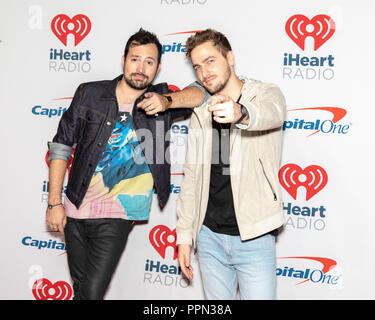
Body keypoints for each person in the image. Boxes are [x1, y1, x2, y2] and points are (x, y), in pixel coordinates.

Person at [45, 28, 205, 300]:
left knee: (91, 293)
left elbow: (200, 93)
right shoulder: (90, 93)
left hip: (117, 214)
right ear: (123, 60)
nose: (141, 68)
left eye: (149, 62)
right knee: (82, 292)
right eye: (135, 59)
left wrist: (167, 101)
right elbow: (61, 146)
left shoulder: (159, 99)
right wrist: (54, 203)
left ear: (158, 67)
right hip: (75, 206)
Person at [176, 29, 286, 300]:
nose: (204, 73)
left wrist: (241, 112)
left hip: (255, 236)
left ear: (230, 58)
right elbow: (191, 177)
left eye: (211, 61)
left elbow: (273, 113)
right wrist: (184, 237)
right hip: (209, 237)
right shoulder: (201, 113)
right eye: (197, 66)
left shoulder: (264, 93)